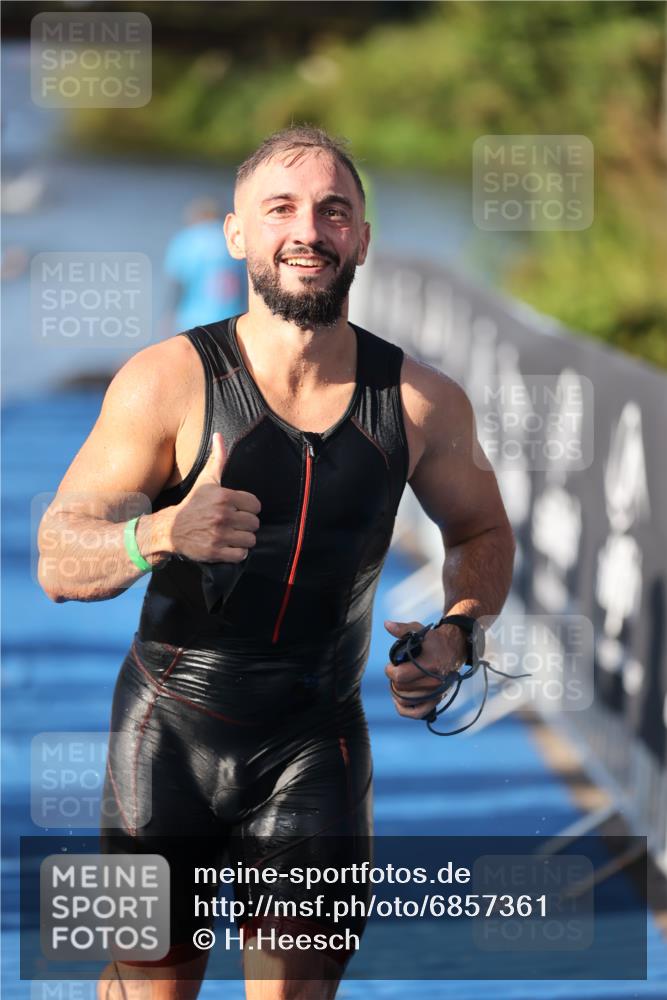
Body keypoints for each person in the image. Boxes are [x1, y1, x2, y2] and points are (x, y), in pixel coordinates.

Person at [37, 125, 515, 1000]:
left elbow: (481, 533)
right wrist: (161, 534)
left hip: (317, 741)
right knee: (147, 987)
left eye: (334, 211)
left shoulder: (421, 402)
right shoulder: (165, 382)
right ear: (236, 235)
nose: (309, 230)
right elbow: (59, 560)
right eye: (281, 209)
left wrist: (457, 632)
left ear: (361, 238)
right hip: (164, 737)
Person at [162, 196, 246, 335]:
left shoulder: (186, 239)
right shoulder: (233, 239)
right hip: (231, 319)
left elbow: (176, 284)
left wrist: (168, 314)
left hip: (193, 319)